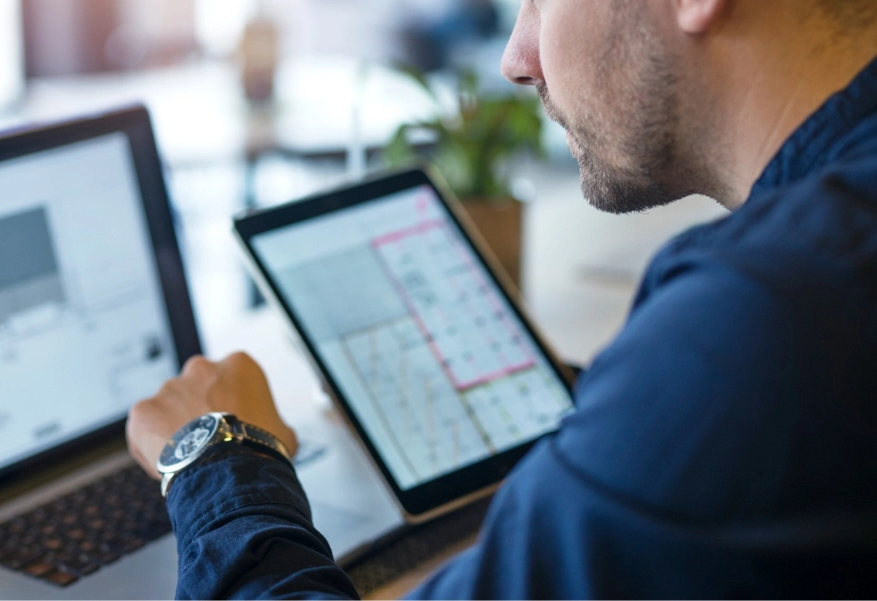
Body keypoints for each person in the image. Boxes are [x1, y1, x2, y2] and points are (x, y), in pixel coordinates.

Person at [126, 0, 877, 597]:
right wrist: (623, 410)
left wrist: (213, 454)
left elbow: (755, 375)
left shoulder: (767, 316)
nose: (518, 60)